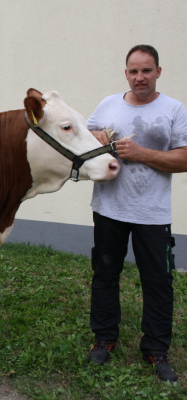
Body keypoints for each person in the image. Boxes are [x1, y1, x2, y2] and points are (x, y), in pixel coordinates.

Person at [86, 44, 187, 383]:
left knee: (158, 282)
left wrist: (142, 153)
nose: (140, 77)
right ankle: (104, 338)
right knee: (105, 272)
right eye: (133, 71)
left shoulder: (174, 109)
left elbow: (184, 159)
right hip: (109, 208)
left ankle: (156, 350)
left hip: (153, 212)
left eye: (146, 70)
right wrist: (97, 136)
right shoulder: (107, 105)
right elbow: (83, 141)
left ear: (158, 71)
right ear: (126, 73)